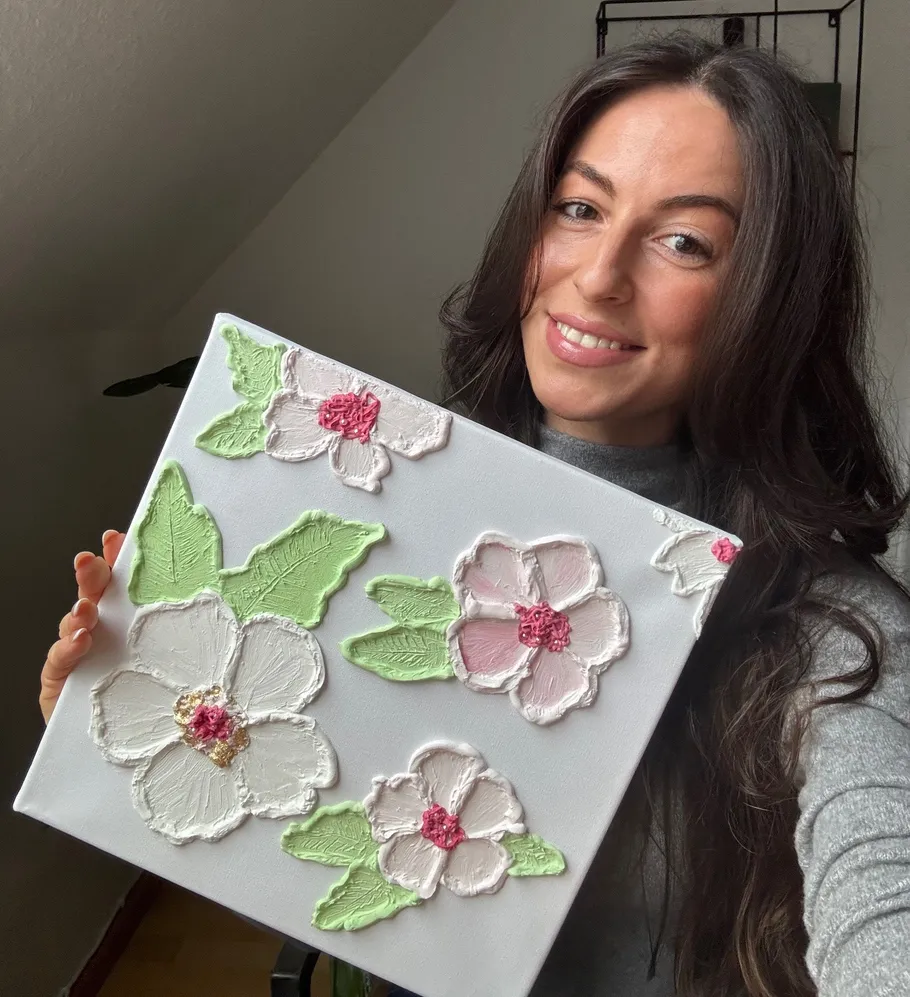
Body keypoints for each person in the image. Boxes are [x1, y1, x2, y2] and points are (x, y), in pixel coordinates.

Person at [40, 33, 910, 997]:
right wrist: (123, 723)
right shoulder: (384, 504)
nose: (599, 275)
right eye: (579, 208)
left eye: (684, 242)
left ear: (769, 299)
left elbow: (882, 891)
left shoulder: (836, 628)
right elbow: (337, 869)